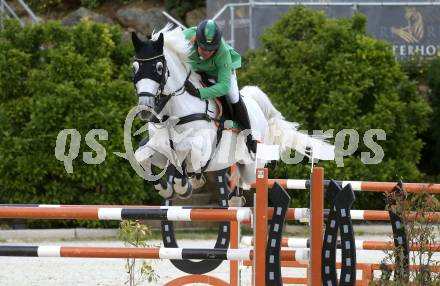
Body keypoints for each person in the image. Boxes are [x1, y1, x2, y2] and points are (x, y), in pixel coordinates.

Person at [183, 19, 257, 154]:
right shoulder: (186, 36)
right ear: (196, 40)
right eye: (203, 47)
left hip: (219, 74)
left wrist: (200, 92)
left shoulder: (223, 53)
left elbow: (223, 86)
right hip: (196, 69)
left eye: (211, 49)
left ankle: (249, 137)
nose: (207, 52)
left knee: (233, 95)